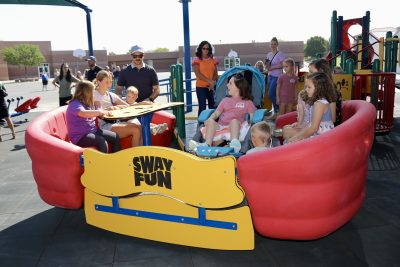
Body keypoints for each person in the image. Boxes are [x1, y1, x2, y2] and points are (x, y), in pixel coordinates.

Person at [189, 73, 257, 153]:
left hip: (236, 127)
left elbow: (253, 117)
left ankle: (234, 144)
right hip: (221, 126)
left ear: (238, 87)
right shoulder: (225, 100)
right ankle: (207, 144)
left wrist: (252, 122)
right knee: (211, 121)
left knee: (234, 121)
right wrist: (210, 119)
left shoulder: (247, 102)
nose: (227, 85)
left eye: (230, 83)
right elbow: (216, 114)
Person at [66, 80, 120, 153]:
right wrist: (99, 112)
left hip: (92, 131)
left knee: (115, 137)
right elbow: (83, 113)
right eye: (93, 91)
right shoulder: (75, 104)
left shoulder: (89, 102)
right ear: (86, 92)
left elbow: (100, 112)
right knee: (101, 141)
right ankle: (104, 164)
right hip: (80, 136)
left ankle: (116, 160)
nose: (94, 93)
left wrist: (107, 110)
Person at [93, 70, 142, 147]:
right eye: (107, 82)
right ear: (99, 82)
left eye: (110, 82)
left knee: (140, 127)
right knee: (135, 130)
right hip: (105, 125)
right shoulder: (95, 95)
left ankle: (143, 152)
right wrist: (113, 108)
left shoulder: (110, 95)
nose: (109, 84)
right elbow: (100, 113)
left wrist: (144, 104)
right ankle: (137, 156)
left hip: (116, 122)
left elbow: (128, 106)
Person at [285, 72, 336, 143]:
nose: (306, 90)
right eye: (306, 87)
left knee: (288, 137)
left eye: (309, 87)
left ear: (319, 88)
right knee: (288, 134)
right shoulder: (317, 102)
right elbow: (311, 125)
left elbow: (314, 128)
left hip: (322, 138)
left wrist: (296, 138)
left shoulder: (320, 104)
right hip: (318, 134)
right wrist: (298, 133)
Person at [308, 58, 342, 126]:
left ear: (321, 72)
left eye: (311, 72)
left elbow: (333, 119)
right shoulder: (318, 90)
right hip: (318, 126)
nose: (309, 75)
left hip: (329, 129)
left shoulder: (330, 92)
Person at [192, 40, 219, 116]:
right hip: (201, 87)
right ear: (200, 49)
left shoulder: (213, 60)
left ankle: (213, 123)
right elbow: (198, 74)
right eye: (204, 48)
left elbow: (215, 74)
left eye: (207, 49)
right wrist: (209, 81)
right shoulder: (196, 59)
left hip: (212, 87)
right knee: (202, 107)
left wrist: (213, 83)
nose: (205, 50)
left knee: (213, 106)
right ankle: (200, 124)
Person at [265, 37, 285, 115]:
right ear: (270, 45)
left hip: (277, 76)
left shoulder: (280, 54)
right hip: (270, 75)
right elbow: (267, 64)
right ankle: (276, 110)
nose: (273, 45)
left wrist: (271, 67)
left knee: (271, 94)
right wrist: (267, 65)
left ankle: (278, 110)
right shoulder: (269, 54)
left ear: (277, 45)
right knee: (272, 94)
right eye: (271, 44)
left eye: (274, 44)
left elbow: (282, 65)